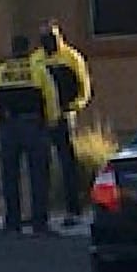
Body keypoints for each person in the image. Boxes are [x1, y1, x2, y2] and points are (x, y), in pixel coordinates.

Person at [0, 34, 62, 236]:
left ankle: (12, 222)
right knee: (39, 175)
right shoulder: (38, 71)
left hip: (8, 127)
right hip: (34, 126)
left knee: (10, 176)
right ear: (29, 50)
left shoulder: (0, 72)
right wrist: (52, 123)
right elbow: (50, 98)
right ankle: (39, 222)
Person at [35, 20, 93, 228]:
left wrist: (71, 109)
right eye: (45, 38)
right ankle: (41, 212)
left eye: (52, 37)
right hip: (41, 120)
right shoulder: (37, 59)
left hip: (64, 118)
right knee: (41, 166)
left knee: (67, 164)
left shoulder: (71, 57)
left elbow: (83, 89)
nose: (49, 42)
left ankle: (73, 210)